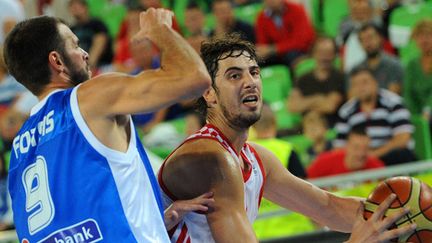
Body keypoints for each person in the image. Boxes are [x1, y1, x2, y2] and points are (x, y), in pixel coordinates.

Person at [158, 34, 415, 242]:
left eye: (254, 72)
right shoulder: (209, 157)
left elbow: (328, 207)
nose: (250, 82)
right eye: (235, 75)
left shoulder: (256, 158)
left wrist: (405, 214)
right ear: (209, 94)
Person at [4, 9, 213, 242]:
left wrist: (154, 219)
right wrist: (162, 31)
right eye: (75, 45)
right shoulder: (90, 97)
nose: (84, 53)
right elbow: (195, 79)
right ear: (57, 60)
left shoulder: (18, 150)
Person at [334, 66, 416, 166]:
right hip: (359, 160)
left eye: (365, 82)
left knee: (402, 154)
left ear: (375, 82)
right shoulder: (346, 111)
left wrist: (373, 155)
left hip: (389, 156)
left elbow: (402, 139)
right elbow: (339, 147)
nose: (361, 88)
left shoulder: (394, 103)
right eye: (355, 84)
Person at [287, 36, 345, 127]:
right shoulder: (302, 79)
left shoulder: (339, 77)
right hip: (306, 127)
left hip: (331, 126)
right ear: (314, 54)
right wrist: (317, 98)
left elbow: (329, 106)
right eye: (321, 52)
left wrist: (305, 104)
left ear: (334, 55)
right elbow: (292, 106)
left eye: (329, 53)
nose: (325, 57)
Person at [307, 126, 385, 178]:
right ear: (347, 146)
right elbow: (305, 181)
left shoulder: (376, 167)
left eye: (365, 149)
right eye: (356, 148)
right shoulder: (324, 162)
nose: (361, 154)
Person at [255, 0, 315, 68]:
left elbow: (301, 41)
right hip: (278, 55)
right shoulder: (261, 17)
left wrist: (274, 49)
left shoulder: (297, 10)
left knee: (292, 55)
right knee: (260, 60)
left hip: (300, 51)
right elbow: (263, 46)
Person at [251, 103, 305, 178]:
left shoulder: (247, 149)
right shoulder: (287, 148)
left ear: (253, 126)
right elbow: (301, 179)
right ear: (275, 123)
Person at [357, 23, 404, 95]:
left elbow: (392, 97)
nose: (368, 43)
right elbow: (353, 100)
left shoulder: (394, 65)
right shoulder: (357, 70)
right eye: (363, 40)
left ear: (380, 38)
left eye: (370, 37)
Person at [68, 0, 113, 73]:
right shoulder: (72, 29)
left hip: (101, 65)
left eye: (77, 6)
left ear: (85, 7)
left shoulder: (97, 24)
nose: (74, 9)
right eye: (72, 7)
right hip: (81, 68)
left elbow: (100, 43)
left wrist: (90, 65)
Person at [403, 19, 432, 126]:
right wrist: (412, 115)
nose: (424, 40)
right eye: (420, 36)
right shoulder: (412, 64)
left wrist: (427, 111)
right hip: (417, 114)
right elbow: (408, 93)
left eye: (428, 35)